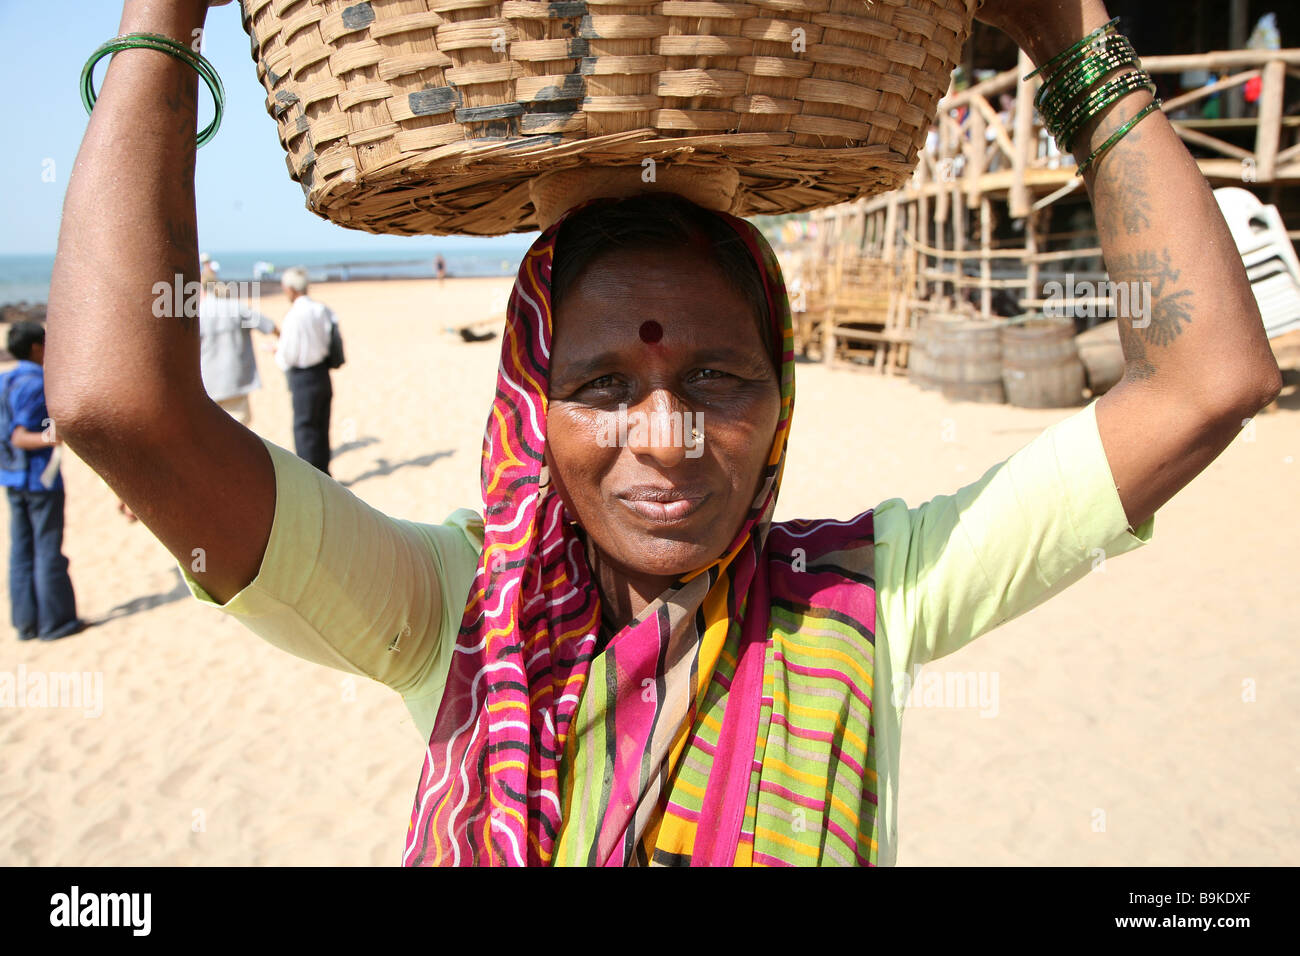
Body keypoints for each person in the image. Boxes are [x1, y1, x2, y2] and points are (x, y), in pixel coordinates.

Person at [47, 0, 1282, 865]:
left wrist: (1069, 34)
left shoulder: (869, 594)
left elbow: (1206, 381)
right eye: (600, 384)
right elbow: (120, 408)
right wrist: (165, 21)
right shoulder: (454, 613)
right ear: (530, 407)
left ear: (780, 396)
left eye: (716, 376)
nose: (669, 436)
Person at [2, 322, 83, 642]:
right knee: (48, 549)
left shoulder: (5, 379)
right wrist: (57, 436)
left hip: (10, 476)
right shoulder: (36, 383)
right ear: (37, 347)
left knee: (21, 552)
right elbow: (20, 436)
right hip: (39, 479)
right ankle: (56, 622)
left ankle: (26, 623)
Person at [198, 260, 278, 426]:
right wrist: (282, 341)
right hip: (236, 382)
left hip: (207, 385)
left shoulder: (197, 313)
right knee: (237, 432)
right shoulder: (236, 307)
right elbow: (269, 326)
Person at [274, 267, 335, 474]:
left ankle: (310, 478)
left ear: (290, 289)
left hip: (303, 376)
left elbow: (287, 355)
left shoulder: (294, 315)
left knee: (304, 430)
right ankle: (325, 474)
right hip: (322, 373)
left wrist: (278, 354)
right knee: (322, 428)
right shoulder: (321, 310)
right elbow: (328, 341)